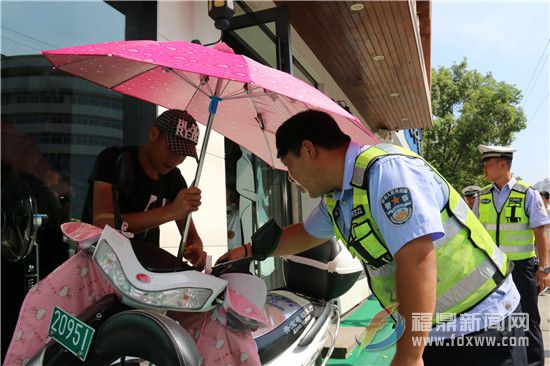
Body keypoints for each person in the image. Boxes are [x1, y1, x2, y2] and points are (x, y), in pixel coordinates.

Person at [218, 110, 527, 366]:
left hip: (483, 324)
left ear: (309, 150)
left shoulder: (387, 172)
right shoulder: (338, 197)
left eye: (289, 165)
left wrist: (408, 355)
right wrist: (246, 250)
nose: (291, 177)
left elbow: (417, 259)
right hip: (437, 328)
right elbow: (304, 234)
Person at [82, 108, 206, 269]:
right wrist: (171, 212)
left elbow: (191, 237)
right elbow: (103, 223)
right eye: (173, 148)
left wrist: (195, 250)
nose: (175, 159)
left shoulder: (174, 179)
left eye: (183, 154)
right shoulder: (113, 160)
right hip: (100, 265)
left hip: (143, 273)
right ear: (153, 134)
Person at [474, 145, 550, 366]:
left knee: (527, 320)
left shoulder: (527, 194)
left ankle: (534, 363)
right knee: (496, 320)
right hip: (492, 269)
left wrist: (544, 269)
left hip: (521, 268)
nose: (484, 168)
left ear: (502, 164)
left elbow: (540, 233)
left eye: (487, 164)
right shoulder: (483, 196)